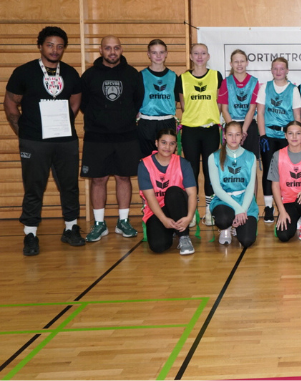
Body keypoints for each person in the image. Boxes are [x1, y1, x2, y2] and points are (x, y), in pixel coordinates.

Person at [4, 26, 84, 255]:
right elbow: (10, 103)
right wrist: (23, 131)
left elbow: (75, 101)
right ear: (40, 45)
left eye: (59, 46)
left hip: (65, 140)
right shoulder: (24, 72)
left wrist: (63, 122)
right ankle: (30, 234)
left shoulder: (70, 73)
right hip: (34, 141)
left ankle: (71, 228)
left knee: (69, 185)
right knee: (34, 186)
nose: (54, 50)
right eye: (50, 45)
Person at [80, 36, 145, 243]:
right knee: (98, 179)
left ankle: (123, 221)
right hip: (96, 136)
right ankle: (99, 224)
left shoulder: (132, 74)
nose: (112, 52)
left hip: (126, 135)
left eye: (116, 48)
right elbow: (83, 103)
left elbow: (138, 100)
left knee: (123, 177)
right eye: (108, 48)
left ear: (121, 49)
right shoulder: (89, 75)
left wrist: (123, 118)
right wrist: (100, 119)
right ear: (101, 50)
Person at [177, 43, 223, 226]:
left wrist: (210, 117)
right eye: (196, 53)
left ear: (208, 56)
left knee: (210, 171)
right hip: (190, 130)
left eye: (203, 53)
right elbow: (183, 105)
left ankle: (210, 210)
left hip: (210, 129)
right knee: (192, 171)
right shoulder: (183, 78)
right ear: (190, 56)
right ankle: (192, 211)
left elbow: (219, 102)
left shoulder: (216, 76)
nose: (199, 56)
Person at [257, 57, 301, 223]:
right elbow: (260, 113)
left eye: (281, 68)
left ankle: (287, 204)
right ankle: (269, 207)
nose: (278, 71)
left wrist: (297, 137)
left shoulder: (293, 90)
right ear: (271, 70)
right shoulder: (265, 87)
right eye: (275, 68)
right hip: (269, 135)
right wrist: (262, 135)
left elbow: (297, 116)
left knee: (287, 171)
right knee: (269, 171)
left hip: (286, 137)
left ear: (287, 70)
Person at [138, 129, 197, 255]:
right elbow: (150, 197)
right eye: (164, 142)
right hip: (157, 210)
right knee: (158, 246)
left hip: (178, 205)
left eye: (172, 143)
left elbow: (192, 194)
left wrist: (189, 217)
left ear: (176, 146)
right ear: (156, 143)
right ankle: (171, 230)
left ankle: (184, 236)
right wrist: (163, 219)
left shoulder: (183, 163)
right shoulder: (144, 165)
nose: (167, 147)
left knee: (173, 192)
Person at [207, 121, 258, 248]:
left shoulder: (250, 157)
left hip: (245, 201)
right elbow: (217, 189)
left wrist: (243, 209)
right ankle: (226, 228)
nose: (234, 138)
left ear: (242, 136)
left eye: (237, 134)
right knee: (223, 219)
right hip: (224, 200)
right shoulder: (214, 157)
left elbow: (250, 187)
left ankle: (238, 225)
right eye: (230, 134)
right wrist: (237, 209)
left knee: (247, 240)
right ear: (224, 135)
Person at [137, 39, 178, 158]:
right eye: (154, 52)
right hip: (147, 122)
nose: (158, 56)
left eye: (161, 52)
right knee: (146, 159)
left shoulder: (173, 76)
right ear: (148, 54)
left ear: (166, 54)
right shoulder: (141, 75)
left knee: (167, 159)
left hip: (167, 122)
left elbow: (175, 100)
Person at [218, 49, 260, 162]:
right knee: (231, 162)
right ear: (231, 64)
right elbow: (224, 109)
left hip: (248, 126)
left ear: (247, 63)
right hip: (231, 124)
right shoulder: (226, 82)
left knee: (250, 162)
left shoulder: (254, 81)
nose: (239, 64)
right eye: (236, 62)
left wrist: (243, 131)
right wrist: (233, 130)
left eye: (242, 61)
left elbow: (252, 109)